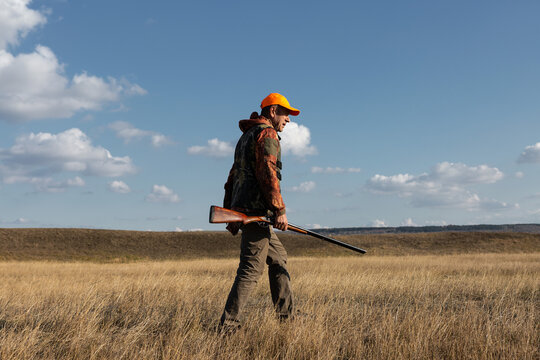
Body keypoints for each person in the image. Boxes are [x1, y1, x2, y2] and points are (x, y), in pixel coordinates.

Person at [219, 93, 301, 331]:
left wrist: (230, 210)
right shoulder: (267, 134)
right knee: (250, 269)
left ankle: (287, 317)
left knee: (278, 258)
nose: (288, 119)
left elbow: (232, 178)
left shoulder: (245, 137)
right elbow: (268, 172)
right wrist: (280, 210)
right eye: (286, 114)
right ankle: (228, 325)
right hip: (257, 214)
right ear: (273, 111)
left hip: (250, 213)